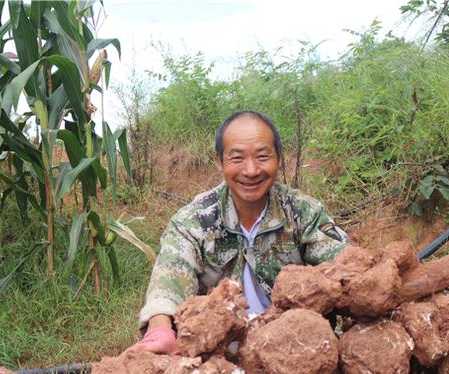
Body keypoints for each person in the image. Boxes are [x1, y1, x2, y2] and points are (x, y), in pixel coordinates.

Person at [130, 110, 348, 354]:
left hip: (296, 348)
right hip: (220, 355)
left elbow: (344, 267)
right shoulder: (193, 221)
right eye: (237, 158)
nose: (251, 170)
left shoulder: (302, 212)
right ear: (219, 160)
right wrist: (160, 330)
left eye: (263, 156)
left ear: (279, 158)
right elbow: (168, 279)